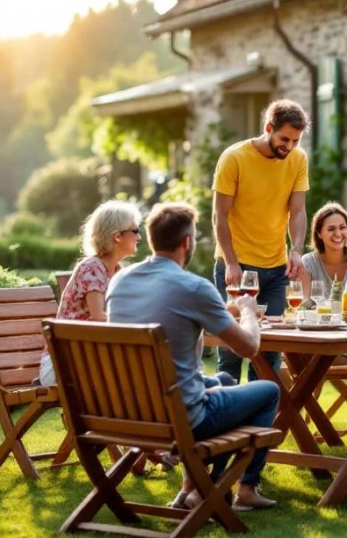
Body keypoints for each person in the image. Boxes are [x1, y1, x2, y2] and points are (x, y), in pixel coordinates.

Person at [106, 202, 280, 511]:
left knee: (225, 379)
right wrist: (250, 313)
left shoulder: (121, 281)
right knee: (269, 390)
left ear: (151, 239)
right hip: (181, 418)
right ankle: (235, 487)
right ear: (187, 242)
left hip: (130, 413)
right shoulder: (194, 287)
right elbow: (249, 348)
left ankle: (193, 487)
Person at [212, 99, 310, 383]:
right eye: (284, 139)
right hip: (238, 267)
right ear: (269, 128)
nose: (289, 146)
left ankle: (260, 422)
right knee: (230, 350)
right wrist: (230, 262)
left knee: (269, 354)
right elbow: (219, 215)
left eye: (295, 140)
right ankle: (224, 421)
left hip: (277, 269)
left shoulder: (298, 159)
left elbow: (298, 210)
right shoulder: (234, 157)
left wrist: (296, 250)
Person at [38, 200, 141, 386]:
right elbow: (99, 317)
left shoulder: (117, 271)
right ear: (117, 236)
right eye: (135, 231)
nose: (139, 236)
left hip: (89, 357)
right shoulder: (92, 268)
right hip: (62, 365)